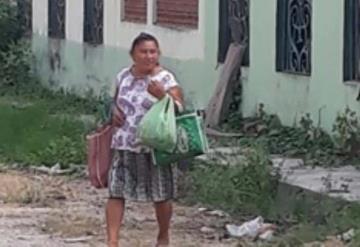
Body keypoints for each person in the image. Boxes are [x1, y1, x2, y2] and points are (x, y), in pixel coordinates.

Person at [106, 32, 184, 247]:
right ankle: (112, 241)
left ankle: (163, 235)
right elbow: (112, 102)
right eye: (144, 52)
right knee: (116, 191)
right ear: (133, 54)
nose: (149, 56)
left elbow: (179, 109)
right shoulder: (123, 76)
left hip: (155, 147)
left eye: (153, 52)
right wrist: (112, 110)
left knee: (161, 195)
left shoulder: (166, 79)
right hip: (123, 143)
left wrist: (163, 96)